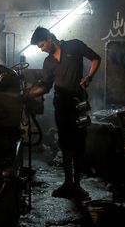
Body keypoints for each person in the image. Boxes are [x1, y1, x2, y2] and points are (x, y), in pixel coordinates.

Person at [28, 26, 101, 200]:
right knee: (66, 145)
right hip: (61, 105)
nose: (42, 48)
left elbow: (96, 58)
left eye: (42, 44)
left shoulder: (74, 46)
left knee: (79, 145)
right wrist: (28, 95)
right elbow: (45, 87)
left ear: (49, 38)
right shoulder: (48, 62)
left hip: (79, 103)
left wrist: (89, 77)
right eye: (39, 47)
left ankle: (77, 186)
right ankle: (68, 184)